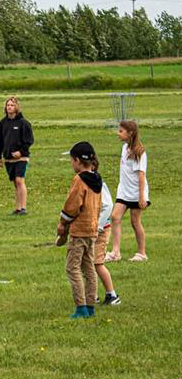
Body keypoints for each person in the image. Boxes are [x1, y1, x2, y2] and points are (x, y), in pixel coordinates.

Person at [56, 142, 101, 319]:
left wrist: (62, 223)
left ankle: (81, 307)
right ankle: (90, 306)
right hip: (92, 230)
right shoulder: (97, 178)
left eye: (71, 160)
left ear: (77, 160)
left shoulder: (79, 180)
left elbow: (72, 205)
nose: (71, 163)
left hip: (79, 231)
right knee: (89, 268)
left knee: (72, 268)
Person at [105, 121, 150, 262]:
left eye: (121, 131)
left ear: (130, 133)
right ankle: (115, 252)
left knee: (135, 222)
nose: (118, 134)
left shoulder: (140, 152)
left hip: (136, 193)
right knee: (115, 217)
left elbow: (141, 176)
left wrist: (142, 197)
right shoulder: (124, 148)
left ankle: (142, 253)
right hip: (123, 192)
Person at [0, 96, 34, 215]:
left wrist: (20, 152)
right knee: (15, 183)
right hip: (8, 159)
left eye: (12, 105)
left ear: (16, 107)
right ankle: (17, 208)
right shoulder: (3, 123)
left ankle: (23, 207)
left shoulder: (24, 123)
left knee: (19, 180)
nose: (9, 107)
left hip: (21, 158)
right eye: (8, 105)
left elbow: (29, 140)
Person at [93, 160, 121, 306]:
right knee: (87, 264)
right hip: (92, 229)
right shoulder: (85, 182)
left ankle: (112, 295)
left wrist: (98, 227)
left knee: (97, 263)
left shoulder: (98, 183)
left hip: (101, 230)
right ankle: (93, 295)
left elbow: (108, 205)